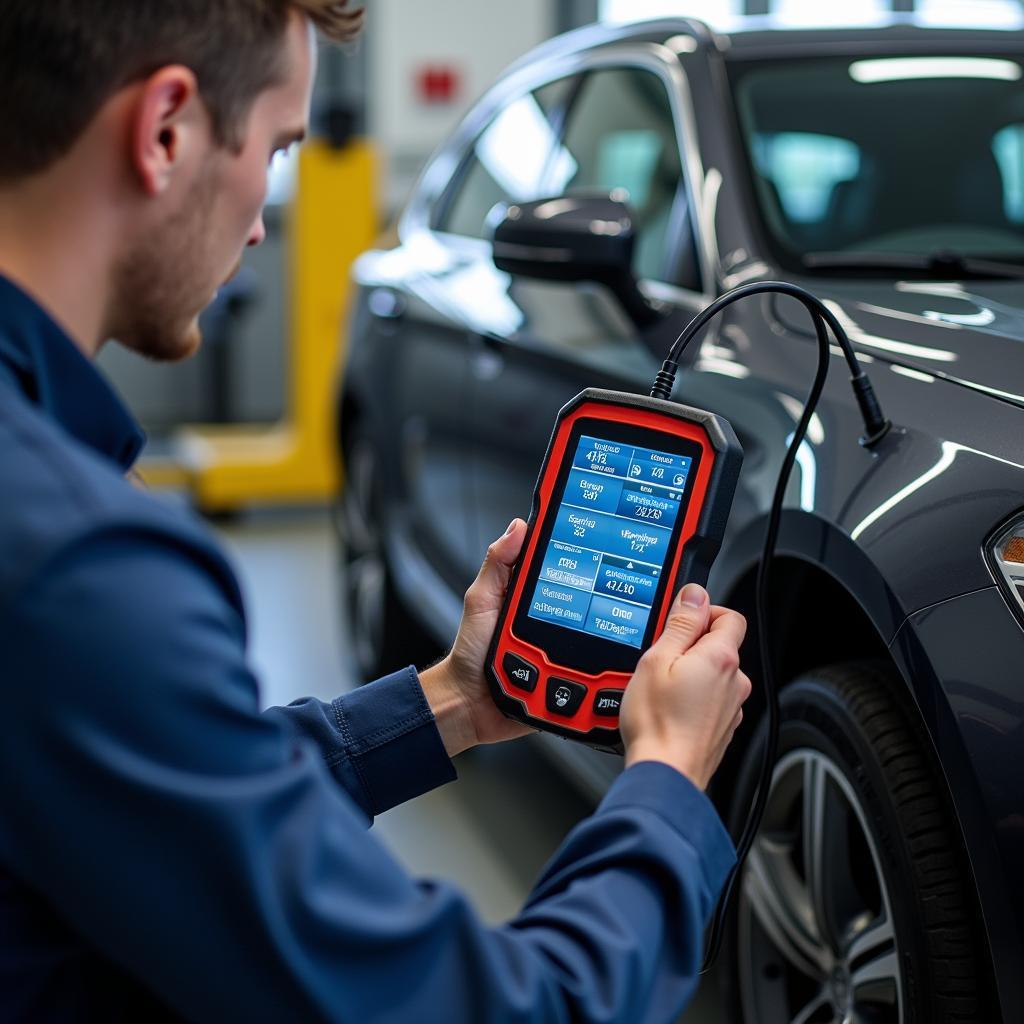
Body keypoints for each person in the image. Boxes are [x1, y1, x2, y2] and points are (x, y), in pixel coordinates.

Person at [0, 3, 752, 1021]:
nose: (262, 217)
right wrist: (665, 779)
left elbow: (159, 789)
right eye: (273, 150)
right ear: (166, 128)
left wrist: (451, 700)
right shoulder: (80, 564)